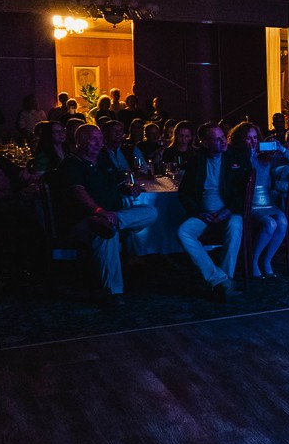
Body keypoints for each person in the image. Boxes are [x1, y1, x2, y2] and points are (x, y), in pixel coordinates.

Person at [52, 123, 156, 306]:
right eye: (93, 139)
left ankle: (110, 222)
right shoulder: (71, 163)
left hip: (110, 215)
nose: (98, 143)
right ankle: (113, 292)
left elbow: (117, 181)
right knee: (107, 234)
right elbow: (78, 192)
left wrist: (128, 188)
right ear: (80, 141)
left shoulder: (102, 160)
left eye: (100, 139)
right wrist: (99, 211)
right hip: (81, 221)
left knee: (150, 211)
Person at [174, 122, 248, 298]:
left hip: (228, 212)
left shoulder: (236, 157)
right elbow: (184, 193)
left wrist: (228, 210)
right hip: (203, 214)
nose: (223, 141)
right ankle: (221, 279)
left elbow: (244, 192)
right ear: (205, 143)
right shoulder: (197, 160)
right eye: (216, 139)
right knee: (183, 232)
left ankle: (226, 277)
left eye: (223, 137)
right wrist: (199, 212)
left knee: (236, 224)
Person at [230, 120, 289, 278]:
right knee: (270, 224)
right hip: (250, 204)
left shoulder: (265, 156)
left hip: (267, 202)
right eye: (248, 138)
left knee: (283, 222)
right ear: (241, 140)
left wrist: (281, 148)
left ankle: (267, 260)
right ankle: (254, 260)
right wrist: (248, 156)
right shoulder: (237, 157)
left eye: (255, 138)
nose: (253, 141)